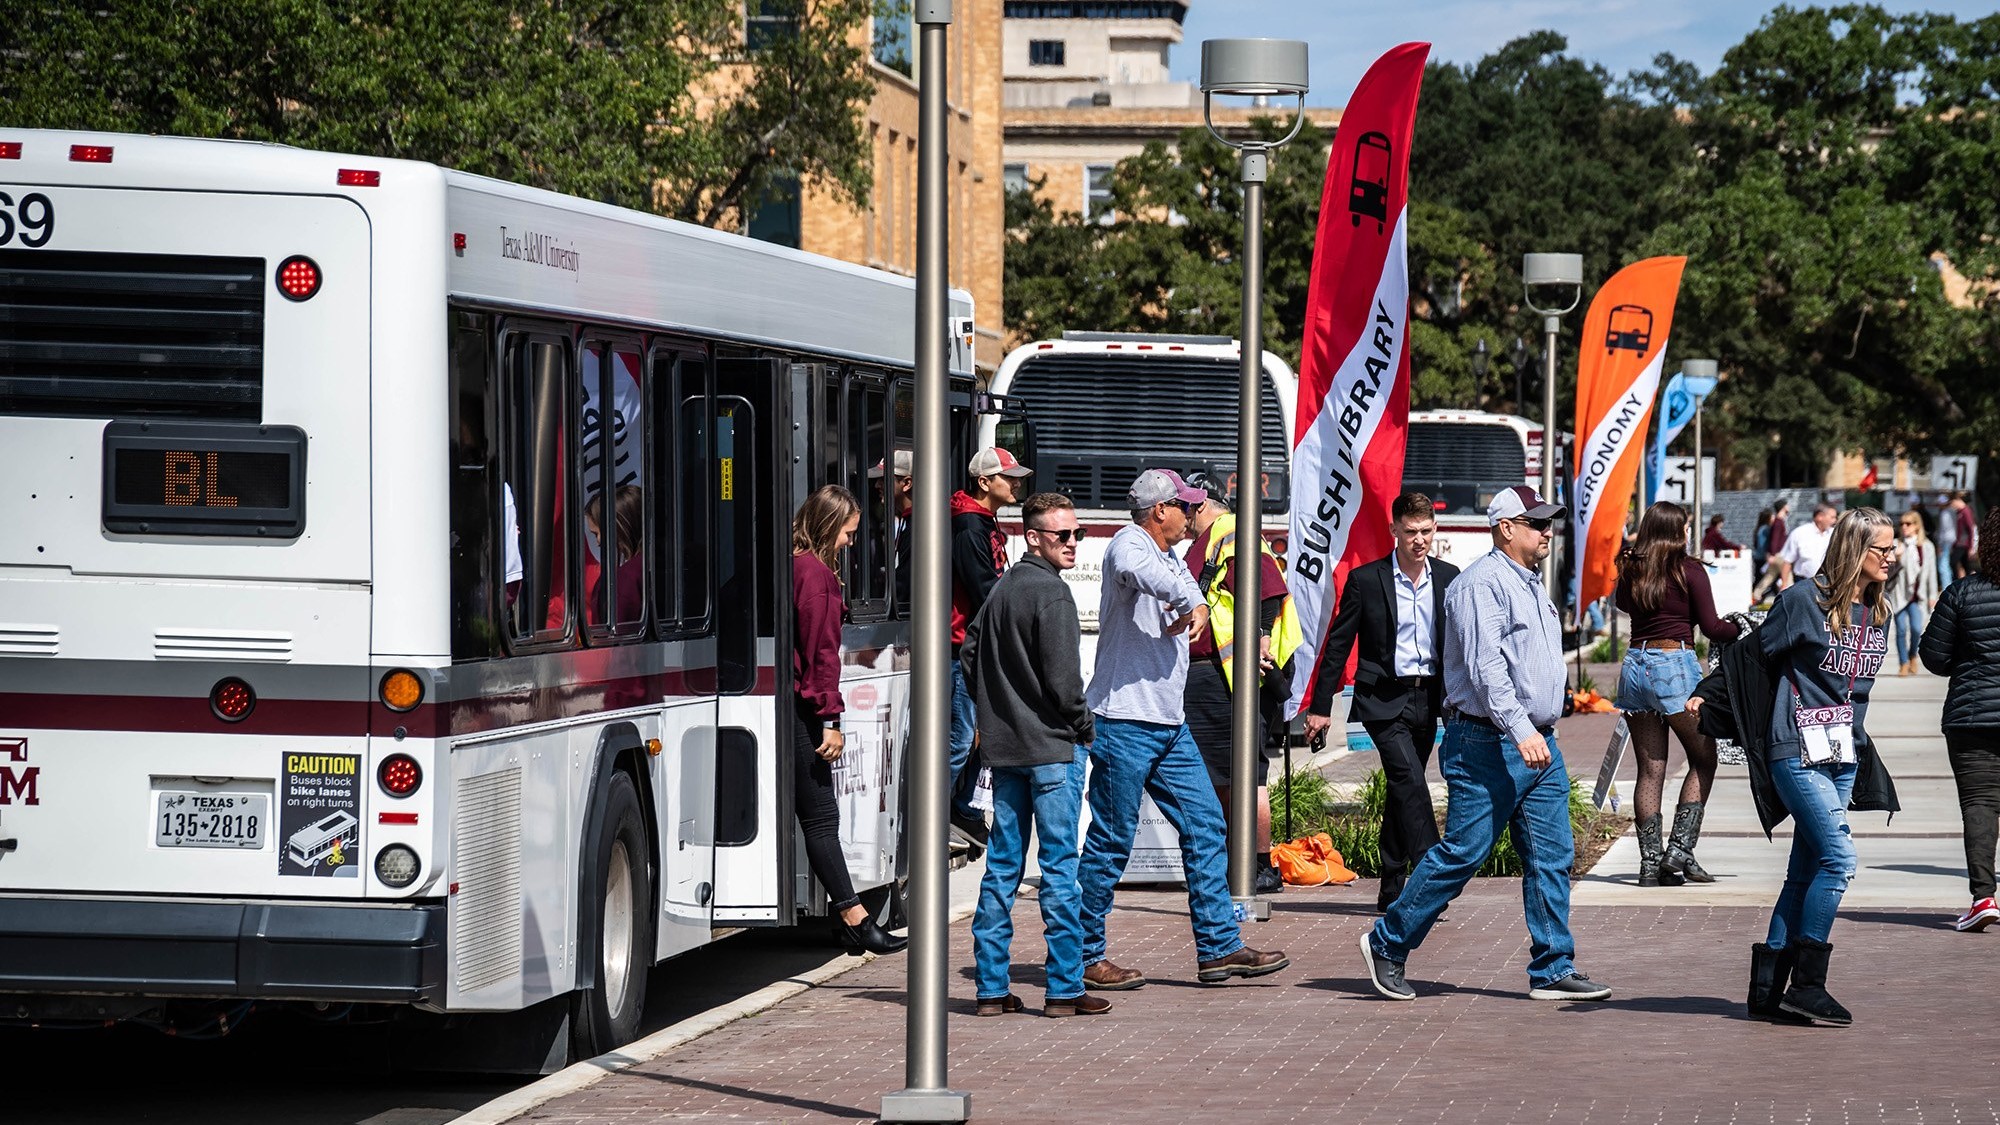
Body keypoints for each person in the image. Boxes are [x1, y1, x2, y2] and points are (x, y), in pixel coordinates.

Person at [1358, 485, 1611, 1003]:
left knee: (1552, 854)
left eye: (1548, 523)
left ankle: (1553, 967)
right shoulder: (1481, 584)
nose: (1546, 531)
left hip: (1536, 743)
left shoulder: (1529, 582)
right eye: (1536, 523)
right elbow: (1486, 668)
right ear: (1505, 529)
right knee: (1465, 852)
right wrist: (1521, 730)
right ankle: (1387, 942)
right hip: (1488, 740)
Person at [1076, 468, 1288, 991]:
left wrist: (1191, 596)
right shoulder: (1128, 544)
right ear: (1160, 512)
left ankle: (1218, 948)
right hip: (1124, 720)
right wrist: (1190, 599)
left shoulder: (1172, 553)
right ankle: (1082, 955)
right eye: (1184, 506)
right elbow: (1146, 574)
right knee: (1110, 840)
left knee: (1206, 826)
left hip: (1168, 724)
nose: (1192, 514)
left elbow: (1184, 583)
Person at [1733, 508, 1895, 1025]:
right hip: (1795, 749)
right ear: (1854, 550)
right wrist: (1708, 701)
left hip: (1842, 755)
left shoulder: (1878, 611)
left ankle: (1766, 994)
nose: (1892, 558)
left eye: (1893, 549)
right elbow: (1753, 657)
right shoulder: (1803, 601)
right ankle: (1807, 984)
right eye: (1882, 550)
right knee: (1839, 860)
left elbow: (1856, 693)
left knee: (1803, 872)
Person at [960, 492, 1106, 1017]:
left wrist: (992, 710)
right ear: (1033, 536)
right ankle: (1065, 990)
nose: (1073, 543)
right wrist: (1085, 728)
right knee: (1060, 869)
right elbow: (1066, 687)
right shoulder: (1052, 596)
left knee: (1001, 870)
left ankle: (991, 991)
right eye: (1061, 535)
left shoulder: (1002, 591)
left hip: (1006, 752)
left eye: (1077, 533)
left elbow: (969, 652)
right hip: (1050, 749)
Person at [1307, 491, 1461, 912]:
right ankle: (1435, 874)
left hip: (1429, 698)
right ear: (1394, 530)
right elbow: (1337, 645)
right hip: (1382, 699)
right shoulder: (1367, 579)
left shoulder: (1449, 578)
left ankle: (1391, 886)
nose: (1419, 540)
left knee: (1401, 790)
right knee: (1409, 779)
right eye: (1410, 531)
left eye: (1426, 531)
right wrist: (1322, 706)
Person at [791, 485, 906, 956]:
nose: (850, 542)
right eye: (846, 532)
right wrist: (830, 719)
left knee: (817, 817)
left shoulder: (795, 566)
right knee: (820, 817)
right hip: (807, 711)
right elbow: (821, 654)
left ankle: (851, 917)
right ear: (826, 526)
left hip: (795, 706)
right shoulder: (817, 576)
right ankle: (854, 918)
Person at [1182, 481, 1299, 897]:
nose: (1182, 520)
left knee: (1244, 775)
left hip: (1230, 676)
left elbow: (1268, 589)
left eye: (1184, 509)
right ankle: (1246, 864)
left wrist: (1262, 637)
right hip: (1226, 675)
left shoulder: (1228, 530)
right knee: (1238, 775)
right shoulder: (1218, 537)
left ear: (1199, 507)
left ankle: (1257, 867)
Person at [1615, 501, 1740, 886]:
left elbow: (1622, 605)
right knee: (1703, 759)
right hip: (1674, 665)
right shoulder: (1690, 571)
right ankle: (1679, 853)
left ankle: (1650, 864)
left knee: (1650, 769)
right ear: (1677, 531)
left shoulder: (1632, 568)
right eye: (1685, 527)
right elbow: (1711, 626)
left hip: (1635, 666)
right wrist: (1743, 628)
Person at [949, 446, 1035, 854]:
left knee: (974, 737)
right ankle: (933, 817)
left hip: (973, 642)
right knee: (962, 738)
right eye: (1009, 477)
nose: (1017, 483)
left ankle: (961, 809)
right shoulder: (968, 526)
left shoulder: (981, 520)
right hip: (964, 645)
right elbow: (984, 591)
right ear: (985, 482)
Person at [1920, 506, 2000, 934]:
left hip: (1972, 715)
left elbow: (1933, 656)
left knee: (1980, 804)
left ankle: (1983, 896)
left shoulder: (1963, 593)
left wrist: (1969, 665)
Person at [1888, 509, 1940, 676]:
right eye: (1902, 524)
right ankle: (1903, 663)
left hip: (1918, 596)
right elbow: (1886, 573)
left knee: (1917, 628)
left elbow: (1931, 572)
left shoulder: (1926, 546)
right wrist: (1895, 559)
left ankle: (1912, 656)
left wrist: (1933, 595)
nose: (1904, 527)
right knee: (1901, 629)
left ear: (1917, 526)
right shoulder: (1896, 544)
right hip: (1899, 595)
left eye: (1908, 523)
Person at [868, 449, 914, 605]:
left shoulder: (920, 529)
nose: (876, 485)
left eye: (883, 479)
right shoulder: (913, 521)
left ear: (907, 483)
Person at [1772, 502, 1838, 591]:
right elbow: (1787, 561)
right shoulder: (1800, 533)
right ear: (1820, 517)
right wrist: (1784, 585)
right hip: (1803, 583)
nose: (1834, 521)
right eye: (1832, 517)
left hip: (1828, 582)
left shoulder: (1835, 534)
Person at [1752, 499, 1791, 602]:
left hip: (1776, 554)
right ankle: (1790, 597)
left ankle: (1756, 594)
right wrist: (1772, 554)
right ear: (1783, 507)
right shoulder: (1778, 522)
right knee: (1787, 576)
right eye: (1787, 505)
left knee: (1770, 576)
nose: (1789, 506)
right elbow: (1774, 539)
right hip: (1779, 555)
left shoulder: (1779, 521)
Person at [1946, 492, 1979, 581]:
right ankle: (1966, 582)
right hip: (1960, 543)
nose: (1952, 505)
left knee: (1953, 561)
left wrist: (1971, 547)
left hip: (1964, 544)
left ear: (1957, 500)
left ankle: (1957, 581)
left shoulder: (1966, 511)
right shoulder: (1959, 512)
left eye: (1952, 502)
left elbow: (1970, 529)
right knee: (1966, 565)